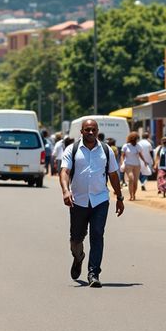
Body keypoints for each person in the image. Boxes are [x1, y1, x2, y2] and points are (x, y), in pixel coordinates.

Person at [58, 118, 124, 288]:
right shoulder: (72, 149)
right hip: (78, 201)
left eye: (93, 130)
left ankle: (93, 274)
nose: (90, 132)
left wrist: (120, 197)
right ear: (81, 131)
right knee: (76, 239)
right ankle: (78, 257)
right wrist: (66, 190)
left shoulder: (106, 150)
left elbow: (113, 174)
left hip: (100, 200)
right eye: (87, 129)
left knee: (97, 234)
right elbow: (64, 171)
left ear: (97, 131)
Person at [121, 131, 148, 202]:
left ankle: (134, 194)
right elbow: (122, 156)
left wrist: (144, 161)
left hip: (137, 165)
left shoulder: (138, 146)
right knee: (131, 178)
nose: (137, 140)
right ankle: (130, 195)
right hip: (128, 164)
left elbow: (140, 154)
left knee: (135, 181)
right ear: (132, 139)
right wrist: (122, 163)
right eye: (136, 139)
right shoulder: (126, 146)